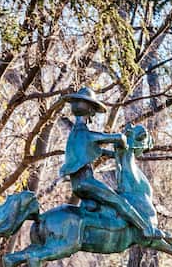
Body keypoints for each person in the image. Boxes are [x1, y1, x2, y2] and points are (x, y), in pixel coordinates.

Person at [59, 88, 156, 240]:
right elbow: (102, 138)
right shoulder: (82, 132)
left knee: (108, 200)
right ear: (91, 111)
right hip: (86, 182)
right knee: (119, 201)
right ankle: (146, 228)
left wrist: (114, 155)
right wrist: (119, 138)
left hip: (79, 184)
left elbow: (96, 149)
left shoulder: (77, 135)